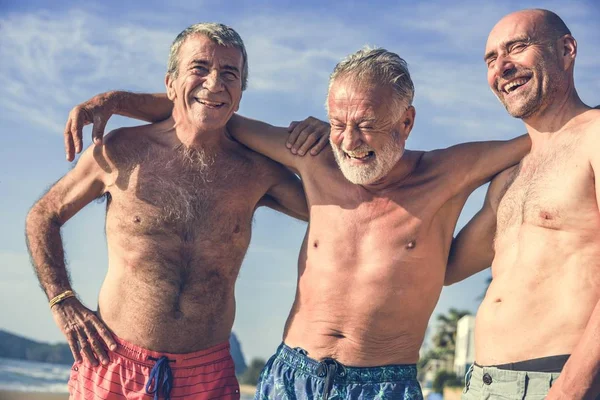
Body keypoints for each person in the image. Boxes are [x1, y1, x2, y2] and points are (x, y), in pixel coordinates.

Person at [67, 47, 531, 399]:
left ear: (406, 121)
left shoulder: (451, 170)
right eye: (337, 123)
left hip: (383, 384)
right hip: (293, 374)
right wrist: (117, 101)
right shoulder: (314, 159)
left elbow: (550, 134)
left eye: (367, 124)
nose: (349, 142)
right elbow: (213, 114)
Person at [26, 22, 327, 400]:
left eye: (229, 74)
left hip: (208, 377)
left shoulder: (256, 171)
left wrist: (325, 142)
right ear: (170, 83)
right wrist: (62, 301)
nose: (215, 83)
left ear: (239, 95)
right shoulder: (120, 153)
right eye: (199, 68)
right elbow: (44, 215)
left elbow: (334, 210)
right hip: (115, 365)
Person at [445, 9, 600, 399]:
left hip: (561, 379)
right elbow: (445, 267)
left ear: (566, 50)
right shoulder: (509, 175)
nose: (502, 66)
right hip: (484, 383)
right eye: (491, 59)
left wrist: (570, 387)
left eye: (517, 47)